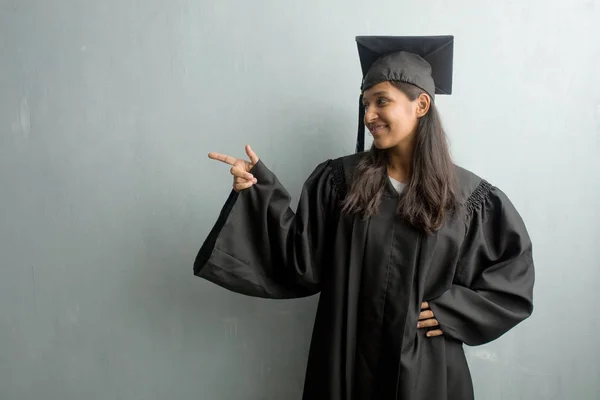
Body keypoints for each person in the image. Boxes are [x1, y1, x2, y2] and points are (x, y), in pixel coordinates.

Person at [194, 35, 535, 400]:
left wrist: (453, 311)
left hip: (427, 369)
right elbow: (301, 260)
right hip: (346, 360)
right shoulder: (339, 182)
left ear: (421, 104)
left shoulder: (470, 198)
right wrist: (256, 192)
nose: (368, 115)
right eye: (366, 103)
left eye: (381, 101)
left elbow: (510, 280)